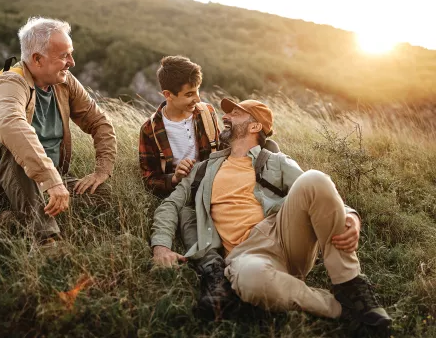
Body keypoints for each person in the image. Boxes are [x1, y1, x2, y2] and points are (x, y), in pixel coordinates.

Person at [150, 98, 392, 328]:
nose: (226, 116)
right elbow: (170, 205)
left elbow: (317, 192)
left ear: (254, 125)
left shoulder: (276, 161)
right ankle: (342, 309)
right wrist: (161, 246)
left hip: (284, 234)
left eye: (235, 113)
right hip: (245, 255)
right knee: (250, 280)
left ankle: (350, 284)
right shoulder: (203, 169)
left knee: (314, 178)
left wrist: (351, 215)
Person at [0, 17, 117, 252]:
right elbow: (9, 123)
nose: (71, 62)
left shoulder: (64, 82)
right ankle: (46, 242)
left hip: (42, 179)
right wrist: (51, 179)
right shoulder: (11, 82)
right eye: (63, 56)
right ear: (37, 59)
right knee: (10, 148)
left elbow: (99, 122)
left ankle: (13, 217)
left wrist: (102, 170)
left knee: (100, 194)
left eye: (70, 54)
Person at [139, 55, 230, 312]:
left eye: (197, 92)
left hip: (217, 183)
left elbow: (225, 150)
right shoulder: (150, 130)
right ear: (168, 94)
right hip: (186, 193)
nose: (196, 99)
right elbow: (149, 179)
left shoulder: (207, 113)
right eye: (189, 94)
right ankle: (215, 280)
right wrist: (174, 177)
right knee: (190, 225)